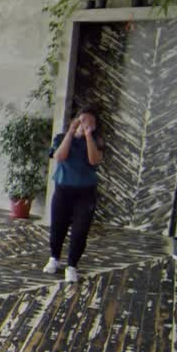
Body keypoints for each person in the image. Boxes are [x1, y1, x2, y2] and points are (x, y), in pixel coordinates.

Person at [44, 107, 105, 283]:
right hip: (63, 190)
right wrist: (71, 133)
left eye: (90, 122)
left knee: (80, 230)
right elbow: (59, 156)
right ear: (75, 121)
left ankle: (72, 266)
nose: (85, 124)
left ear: (94, 126)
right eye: (82, 120)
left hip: (85, 193)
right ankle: (54, 258)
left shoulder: (96, 141)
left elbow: (94, 160)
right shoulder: (61, 138)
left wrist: (88, 136)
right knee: (58, 226)